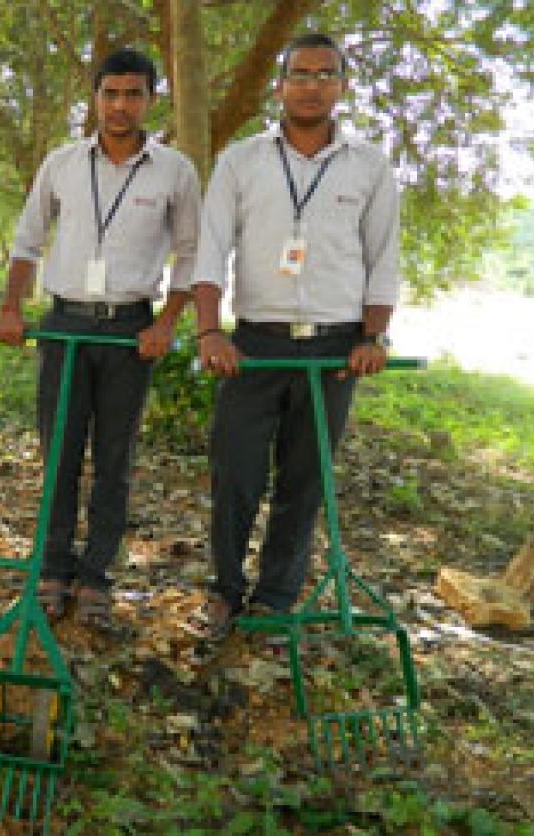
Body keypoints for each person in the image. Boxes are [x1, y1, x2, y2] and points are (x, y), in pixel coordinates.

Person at [186, 33, 401, 640]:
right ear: (279, 86)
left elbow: (382, 259)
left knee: (306, 480)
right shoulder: (242, 161)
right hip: (254, 347)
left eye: (324, 74)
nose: (311, 85)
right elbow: (210, 251)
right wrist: (209, 331)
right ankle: (225, 592)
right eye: (299, 74)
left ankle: (277, 599)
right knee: (236, 474)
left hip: (335, 349)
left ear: (342, 86)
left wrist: (373, 337)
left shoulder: (369, 167)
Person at [0, 48, 201, 630]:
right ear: (95, 97)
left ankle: (96, 575)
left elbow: (191, 254)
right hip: (65, 325)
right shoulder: (62, 163)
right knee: (59, 452)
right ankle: (53, 568)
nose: (120, 105)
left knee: (115, 457)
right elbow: (27, 240)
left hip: (130, 332)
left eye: (133, 94)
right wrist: (12, 306)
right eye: (110, 93)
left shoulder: (174, 172)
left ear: (150, 100)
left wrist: (166, 323)